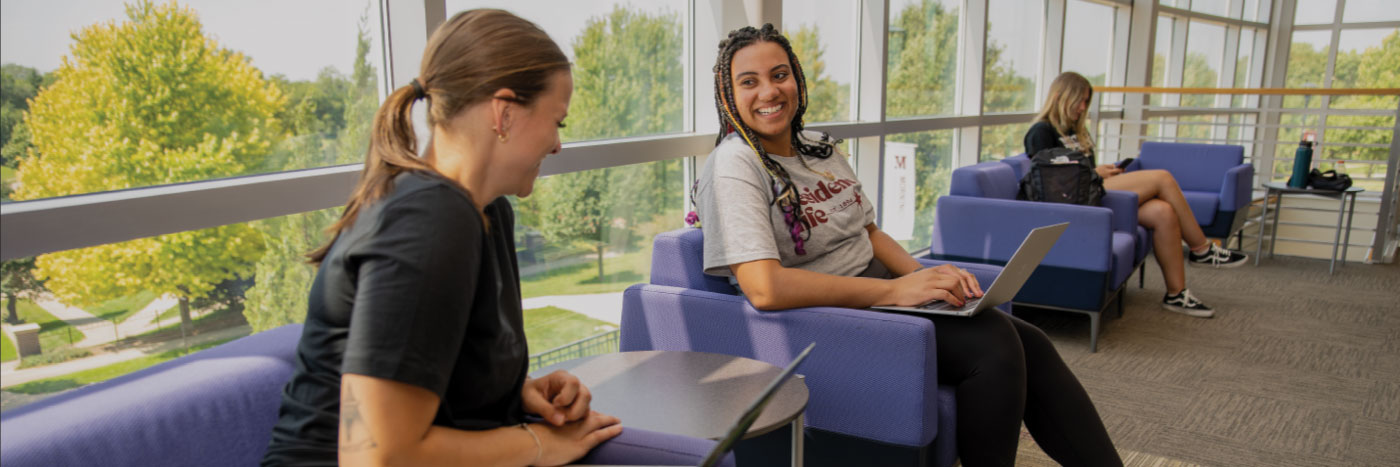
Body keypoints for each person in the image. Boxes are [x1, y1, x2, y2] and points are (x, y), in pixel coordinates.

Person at [693, 24, 1121, 467]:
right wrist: (896, 292)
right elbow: (764, 288)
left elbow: (870, 234)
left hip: (878, 299)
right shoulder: (734, 165)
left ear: (797, 80)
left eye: (779, 74)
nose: (769, 91)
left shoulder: (817, 148)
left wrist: (921, 276)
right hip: (830, 319)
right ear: (728, 96)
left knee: (1030, 341)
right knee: (994, 346)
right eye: (749, 81)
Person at [262, 10, 622, 466]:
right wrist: (537, 445)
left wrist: (517, 395)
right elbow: (376, 456)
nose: (557, 145)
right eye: (558, 122)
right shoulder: (429, 218)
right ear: (504, 112)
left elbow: (433, 377)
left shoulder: (486, 214)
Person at [1024, 71, 1248, 318]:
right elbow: (1050, 182)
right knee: (1162, 178)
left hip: (1091, 191)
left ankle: (1176, 294)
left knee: (1164, 212)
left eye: (1087, 102)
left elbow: (1081, 170)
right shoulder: (1040, 132)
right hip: (1076, 205)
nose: (1083, 107)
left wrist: (1103, 172)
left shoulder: (1075, 131)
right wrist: (1095, 172)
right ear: (1061, 97)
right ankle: (1202, 249)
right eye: (1080, 100)